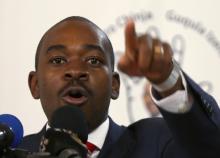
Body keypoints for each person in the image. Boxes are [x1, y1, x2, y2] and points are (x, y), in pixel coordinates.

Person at [18, 16, 220, 158]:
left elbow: (209, 147)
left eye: (94, 61)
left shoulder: (159, 142)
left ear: (114, 85)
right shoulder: (14, 150)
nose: (76, 71)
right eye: (59, 60)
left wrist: (168, 78)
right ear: (35, 84)